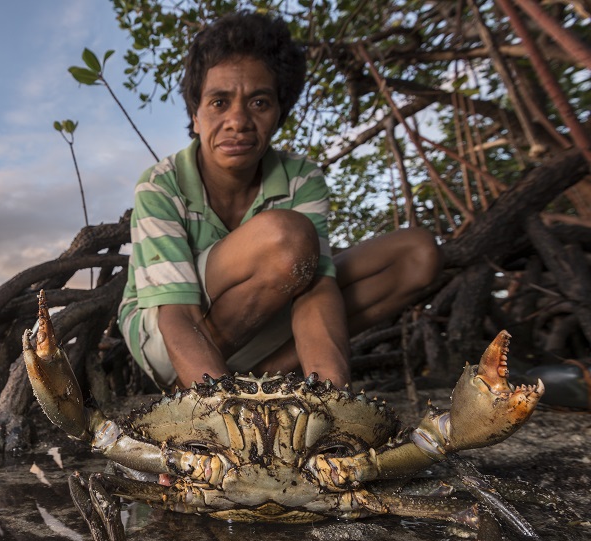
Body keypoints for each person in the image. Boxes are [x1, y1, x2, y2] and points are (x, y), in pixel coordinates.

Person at [117, 11, 442, 390]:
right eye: (219, 102)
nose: (238, 120)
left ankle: (265, 384)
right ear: (195, 116)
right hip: (166, 335)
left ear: (279, 115)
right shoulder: (160, 184)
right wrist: (220, 416)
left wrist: (331, 394)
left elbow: (315, 289)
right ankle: (204, 392)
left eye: (258, 103)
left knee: (417, 254)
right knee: (286, 238)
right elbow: (177, 312)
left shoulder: (302, 177)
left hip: (258, 326)